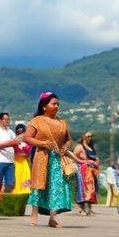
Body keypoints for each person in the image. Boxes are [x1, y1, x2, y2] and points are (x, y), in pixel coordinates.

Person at [22, 92, 89, 228]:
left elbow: (68, 139)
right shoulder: (37, 121)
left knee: (56, 187)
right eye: (54, 104)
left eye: (58, 104)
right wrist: (43, 143)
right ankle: (34, 214)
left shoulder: (62, 122)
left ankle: (53, 218)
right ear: (44, 106)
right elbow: (27, 138)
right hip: (42, 157)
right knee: (40, 185)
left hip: (58, 159)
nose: (57, 106)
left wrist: (65, 147)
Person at [74, 132, 100, 216]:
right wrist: (84, 161)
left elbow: (96, 157)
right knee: (83, 188)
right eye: (87, 136)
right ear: (83, 137)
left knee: (91, 189)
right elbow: (74, 156)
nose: (89, 138)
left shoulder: (91, 147)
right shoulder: (80, 147)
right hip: (82, 169)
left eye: (91, 136)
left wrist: (96, 162)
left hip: (91, 170)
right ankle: (82, 208)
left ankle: (89, 208)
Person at [0, 112, 19, 193]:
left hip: (10, 161)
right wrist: (9, 143)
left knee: (11, 183)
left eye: (8, 119)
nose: (7, 121)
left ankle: (5, 199)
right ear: (0, 120)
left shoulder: (11, 132)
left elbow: (15, 143)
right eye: (5, 119)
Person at [10, 123, 32, 196]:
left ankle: (25, 195)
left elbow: (28, 152)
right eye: (18, 133)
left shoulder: (28, 142)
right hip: (15, 162)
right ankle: (15, 195)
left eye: (22, 133)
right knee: (16, 179)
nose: (20, 135)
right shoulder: (13, 141)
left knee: (25, 178)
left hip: (24, 163)